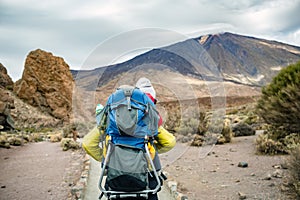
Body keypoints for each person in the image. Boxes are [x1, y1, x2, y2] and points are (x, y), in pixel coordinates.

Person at [82, 78, 176, 200]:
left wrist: (109, 159)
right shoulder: (148, 123)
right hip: (147, 181)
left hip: (116, 179)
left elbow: (87, 143)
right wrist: (149, 150)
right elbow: (170, 142)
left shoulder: (109, 122)